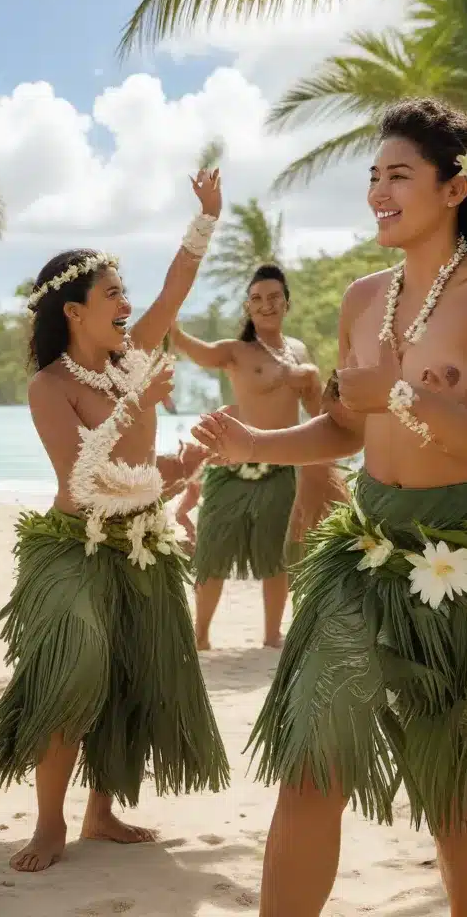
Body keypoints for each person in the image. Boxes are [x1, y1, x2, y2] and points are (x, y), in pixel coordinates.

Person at [190, 99, 467, 917]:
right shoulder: (360, 299)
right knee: (312, 762)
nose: (378, 190)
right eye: (373, 176)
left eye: (398, 176)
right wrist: (252, 446)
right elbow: (346, 427)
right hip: (366, 547)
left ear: (455, 189)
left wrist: (404, 398)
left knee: (456, 788)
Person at [0, 169, 230, 874]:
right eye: (113, 293)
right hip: (74, 546)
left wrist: (206, 216)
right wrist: (140, 407)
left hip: (141, 544)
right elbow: (82, 485)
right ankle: (50, 822)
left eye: (124, 292)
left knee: (127, 679)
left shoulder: (132, 353)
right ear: (75, 312)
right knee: (71, 672)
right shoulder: (49, 386)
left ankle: (101, 810)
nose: (128, 303)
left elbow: (176, 287)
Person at [170, 263, 325, 649]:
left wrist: (311, 380)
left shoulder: (300, 351)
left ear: (286, 303)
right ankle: (200, 636)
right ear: (248, 307)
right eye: (257, 299)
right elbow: (196, 351)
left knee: (276, 555)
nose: (266, 305)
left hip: (281, 467)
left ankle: (272, 635)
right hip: (230, 466)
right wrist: (170, 323)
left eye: (274, 297)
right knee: (212, 551)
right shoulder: (235, 352)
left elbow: (317, 410)